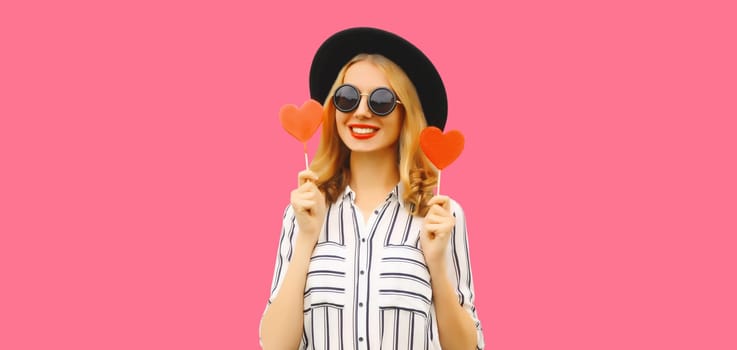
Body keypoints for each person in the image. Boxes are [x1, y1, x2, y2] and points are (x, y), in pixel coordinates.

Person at [260, 27, 484, 349]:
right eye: (347, 98)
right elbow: (275, 345)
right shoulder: (304, 210)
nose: (361, 112)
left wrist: (436, 263)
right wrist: (307, 236)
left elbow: (468, 347)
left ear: (406, 112)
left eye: (380, 101)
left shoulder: (440, 216)